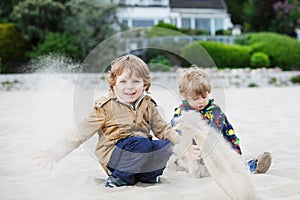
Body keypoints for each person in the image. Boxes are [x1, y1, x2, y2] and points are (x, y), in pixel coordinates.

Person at [34, 54, 180, 187]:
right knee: (139, 143)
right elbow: (81, 132)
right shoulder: (105, 106)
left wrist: (182, 144)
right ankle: (119, 178)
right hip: (115, 156)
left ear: (145, 85)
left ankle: (147, 176)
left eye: (136, 81)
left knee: (165, 145)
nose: (129, 87)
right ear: (113, 83)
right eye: (123, 81)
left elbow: (163, 129)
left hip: (140, 153)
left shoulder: (148, 104)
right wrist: (56, 151)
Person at [170, 67, 271, 176]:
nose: (201, 102)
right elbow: (174, 132)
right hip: (192, 153)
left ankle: (254, 166)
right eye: (195, 99)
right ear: (185, 97)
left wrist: (236, 153)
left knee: (230, 165)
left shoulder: (215, 112)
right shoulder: (182, 112)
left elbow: (228, 132)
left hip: (214, 152)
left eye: (204, 97)